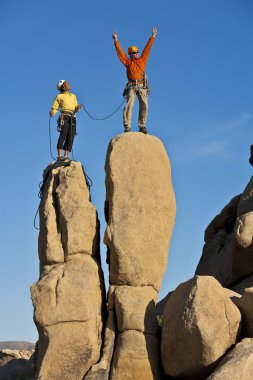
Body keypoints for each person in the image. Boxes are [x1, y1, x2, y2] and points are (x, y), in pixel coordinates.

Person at [112, 27, 157, 134]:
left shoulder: (142, 60)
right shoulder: (128, 62)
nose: (136, 53)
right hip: (131, 86)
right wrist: (116, 41)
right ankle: (127, 126)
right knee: (129, 106)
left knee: (144, 105)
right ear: (130, 54)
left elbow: (147, 48)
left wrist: (153, 37)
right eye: (133, 52)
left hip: (141, 86)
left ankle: (142, 126)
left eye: (136, 52)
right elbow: (120, 54)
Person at [49, 80, 83, 160]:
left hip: (73, 117)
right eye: (66, 83)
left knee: (71, 136)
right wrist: (52, 113)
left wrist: (78, 107)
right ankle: (59, 155)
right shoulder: (59, 96)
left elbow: (75, 108)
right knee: (63, 135)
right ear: (63, 87)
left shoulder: (73, 96)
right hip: (64, 117)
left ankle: (66, 156)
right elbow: (55, 108)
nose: (68, 84)